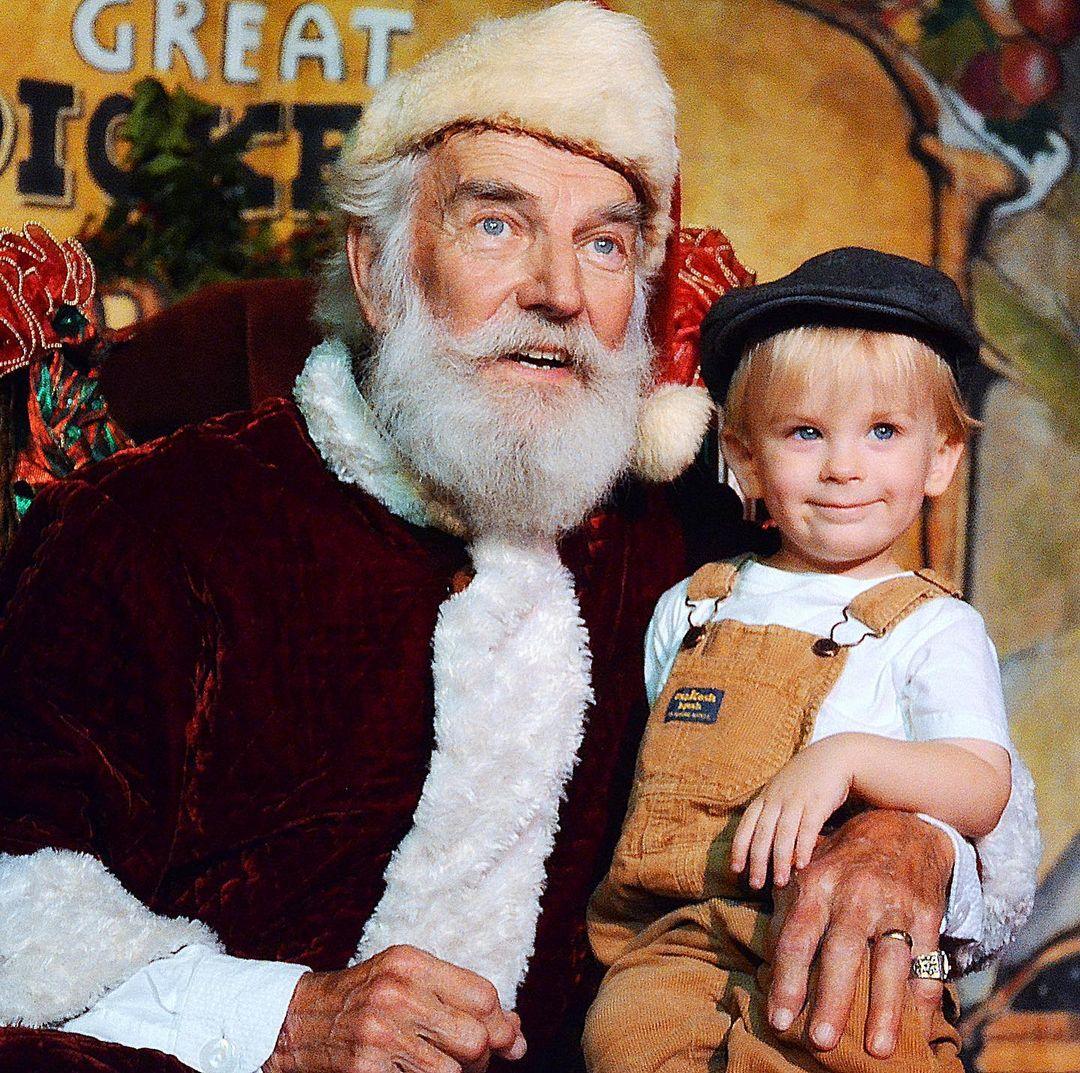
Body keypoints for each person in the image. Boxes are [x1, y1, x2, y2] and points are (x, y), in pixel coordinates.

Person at [0, 8, 1037, 1073]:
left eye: (604, 243)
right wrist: (285, 1017)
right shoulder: (155, 525)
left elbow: (944, 727)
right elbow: (18, 901)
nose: (558, 291)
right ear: (376, 265)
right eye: (497, 224)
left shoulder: (696, 527)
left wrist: (914, 837)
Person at [583, 248, 1022, 1073]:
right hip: (675, 945)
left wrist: (848, 759)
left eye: (883, 431)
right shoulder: (692, 607)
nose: (844, 466)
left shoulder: (933, 626)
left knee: (874, 1033)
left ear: (941, 459)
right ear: (746, 457)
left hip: (864, 950)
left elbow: (982, 784)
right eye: (805, 432)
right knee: (621, 1039)